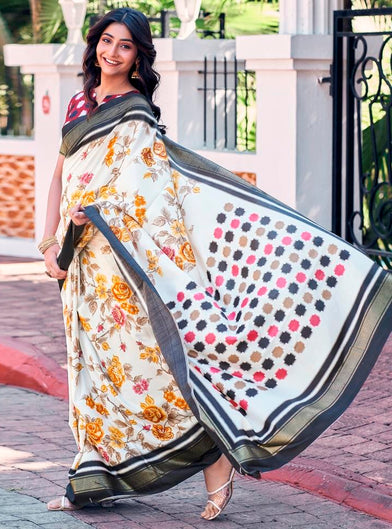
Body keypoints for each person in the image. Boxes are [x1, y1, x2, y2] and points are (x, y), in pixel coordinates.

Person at [40, 7, 392, 522]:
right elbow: (59, 176)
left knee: (152, 365)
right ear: (94, 43)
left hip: (121, 265)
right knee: (97, 374)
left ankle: (217, 457)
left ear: (138, 58)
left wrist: (91, 215)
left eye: (125, 46)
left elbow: (146, 192)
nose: (111, 52)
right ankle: (91, 477)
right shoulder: (77, 103)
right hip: (81, 267)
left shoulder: (135, 112)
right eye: (106, 41)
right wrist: (50, 242)